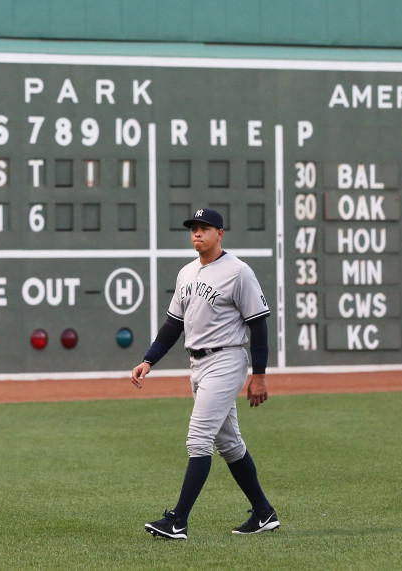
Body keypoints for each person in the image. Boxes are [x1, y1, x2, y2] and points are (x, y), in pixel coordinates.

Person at [130, 207, 278, 540]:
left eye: (204, 228)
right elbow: (173, 325)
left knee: (198, 439)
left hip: (227, 361)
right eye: (193, 228)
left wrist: (260, 375)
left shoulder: (238, 272)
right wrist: (149, 360)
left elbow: (258, 324)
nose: (197, 233)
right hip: (197, 364)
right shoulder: (186, 273)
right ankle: (264, 513)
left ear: (219, 233)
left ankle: (178, 521)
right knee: (229, 444)